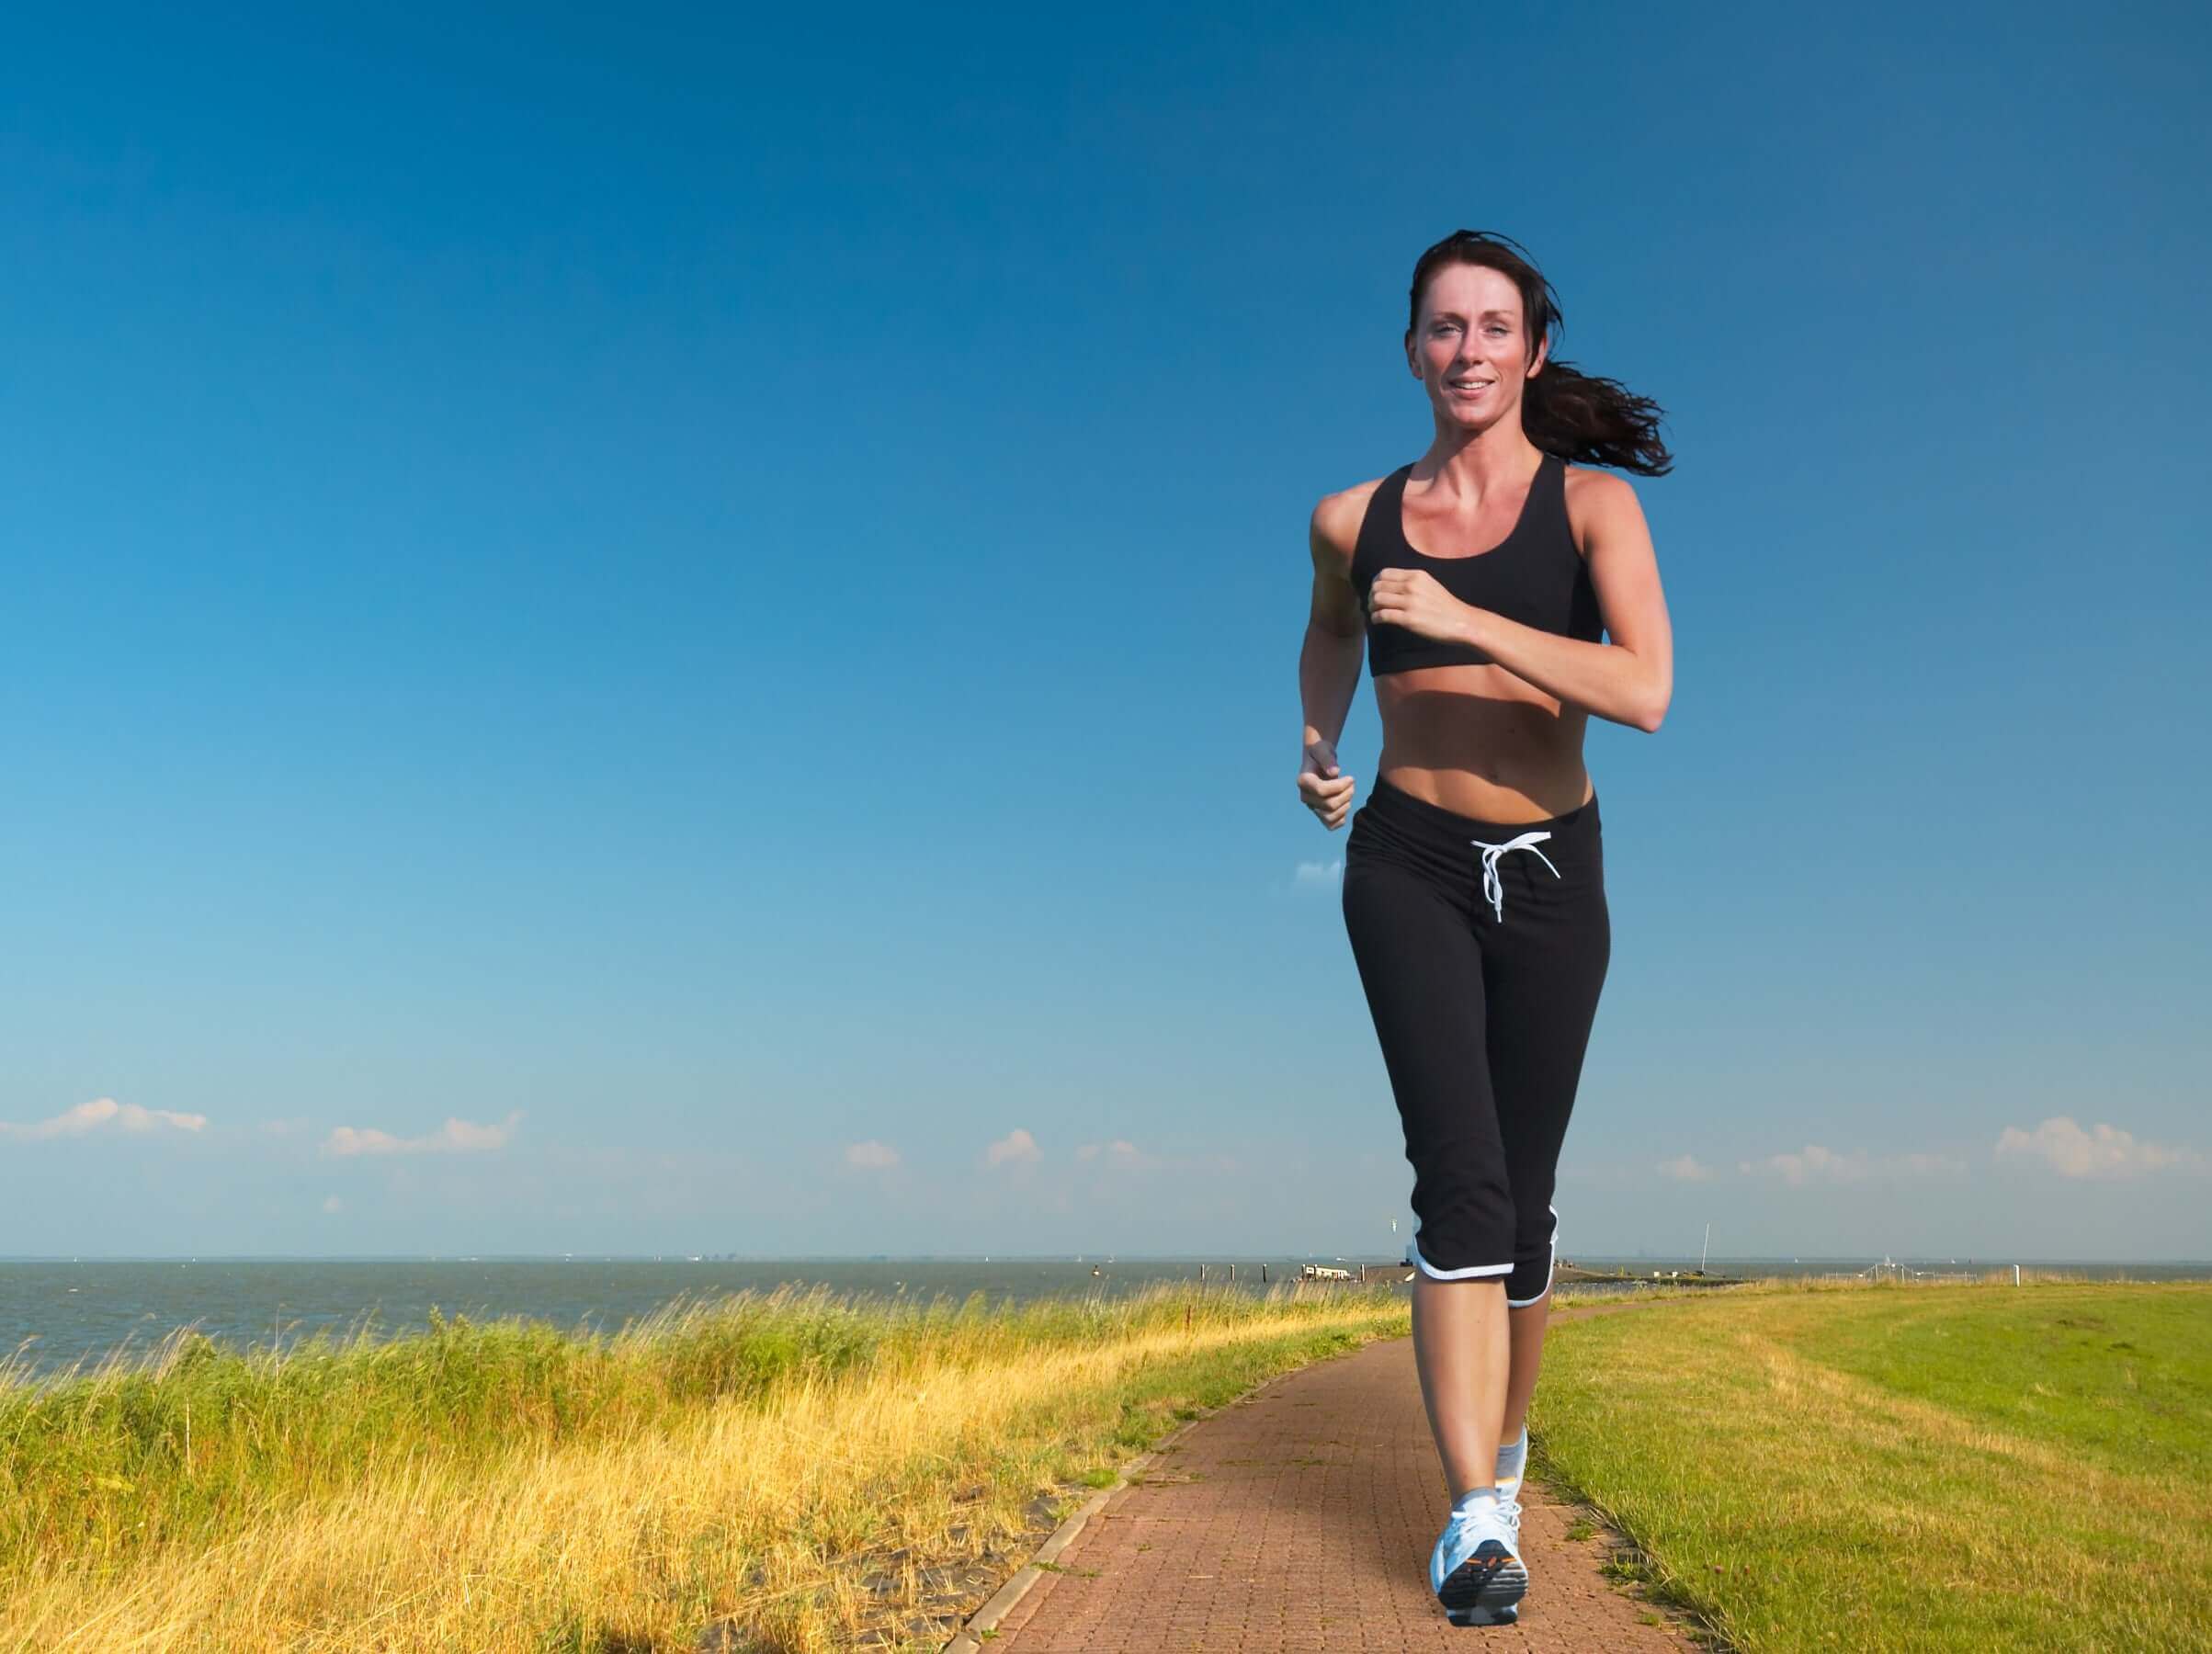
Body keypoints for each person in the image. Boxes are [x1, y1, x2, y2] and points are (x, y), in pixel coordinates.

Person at [1297, 229, 1674, 1626]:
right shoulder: (1351, 516)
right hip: (1405, 857)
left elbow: (1644, 689)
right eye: (1443, 328)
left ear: (1530, 349)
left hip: (1555, 871)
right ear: (1412, 350)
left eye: (1493, 327)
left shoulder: (1589, 515)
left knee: (1524, 1202)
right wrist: (1317, 738)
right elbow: (1331, 630)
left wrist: (1466, 619)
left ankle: (1503, 1465)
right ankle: (1472, 1516)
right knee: (1456, 1183)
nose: (1467, 350)